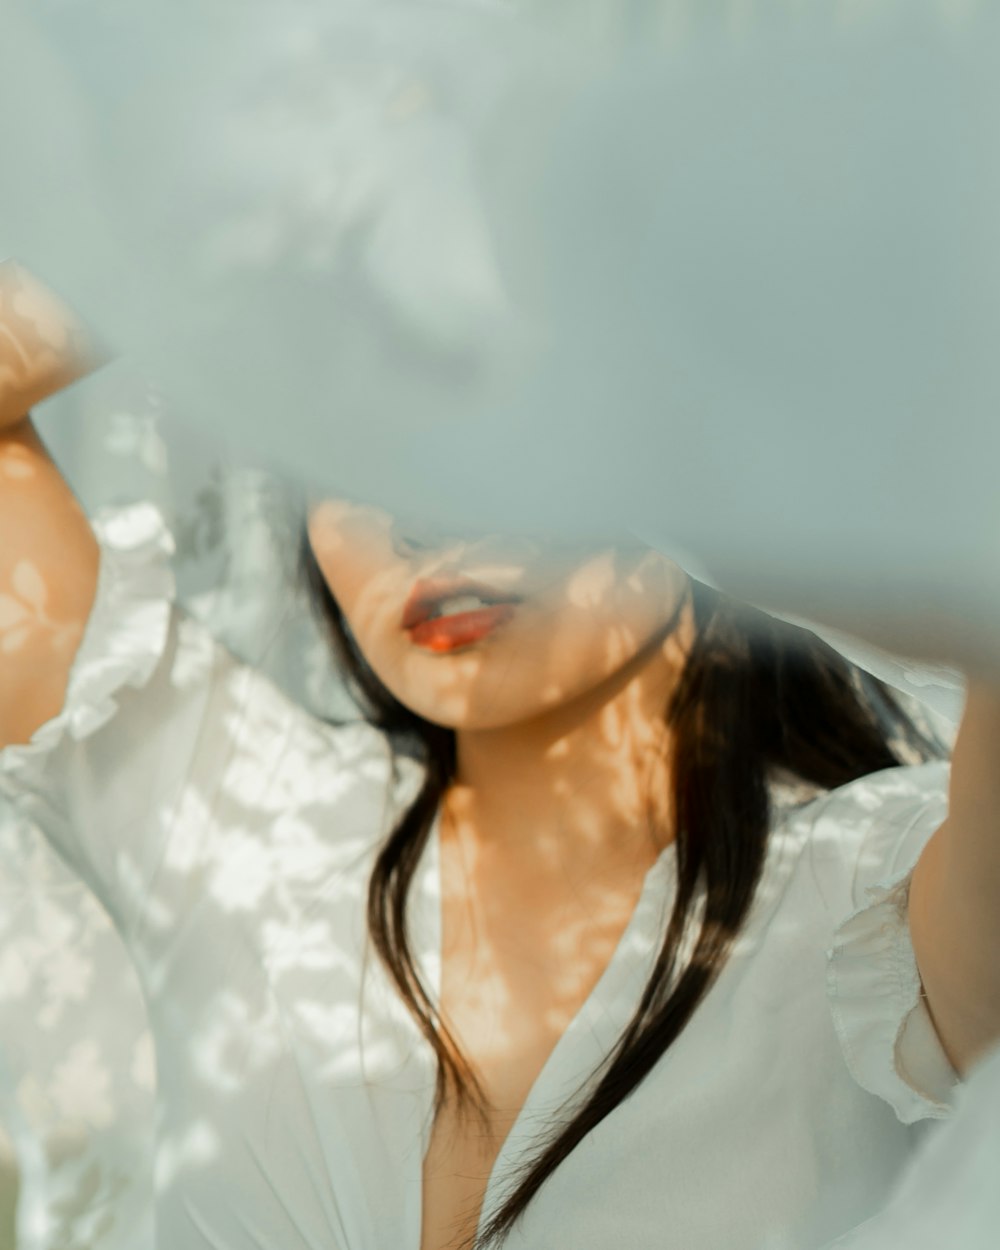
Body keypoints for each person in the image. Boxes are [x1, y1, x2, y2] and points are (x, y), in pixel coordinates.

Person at [1, 266, 999, 1250]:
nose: (416, 517)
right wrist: (262, 234)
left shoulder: (879, 899)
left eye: (509, 439)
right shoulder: (239, 814)